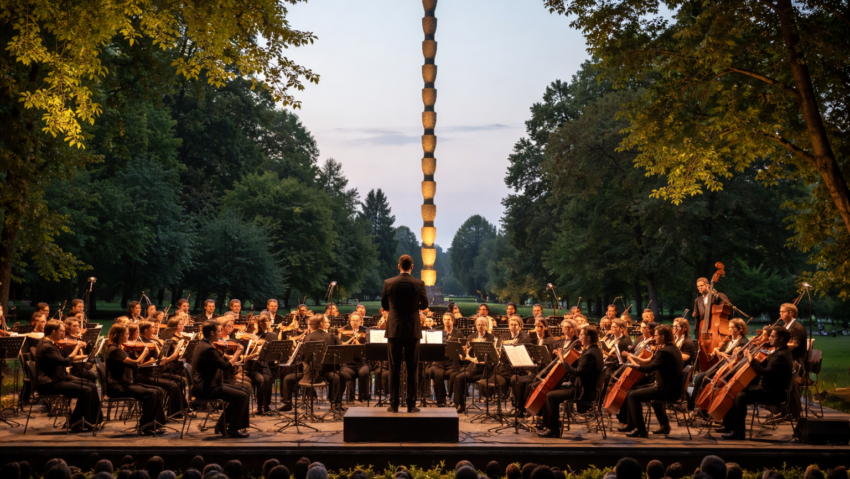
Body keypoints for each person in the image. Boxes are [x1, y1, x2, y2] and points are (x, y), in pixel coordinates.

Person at [718, 326, 794, 440]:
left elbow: (765, 372)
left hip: (772, 393)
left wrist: (751, 359)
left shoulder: (780, 356)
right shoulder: (782, 351)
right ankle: (729, 426)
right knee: (738, 390)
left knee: (740, 396)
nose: (770, 338)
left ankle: (738, 431)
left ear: (781, 339)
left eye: (772, 336)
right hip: (771, 388)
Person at [381, 254, 429, 413]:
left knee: (393, 368)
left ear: (398, 266)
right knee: (412, 368)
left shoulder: (389, 283)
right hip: (412, 330)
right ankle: (411, 404)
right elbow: (424, 305)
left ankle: (394, 404)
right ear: (412, 267)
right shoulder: (419, 283)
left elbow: (384, 306)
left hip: (394, 329)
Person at [35, 320, 102, 432]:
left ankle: (92, 420)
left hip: (58, 378)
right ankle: (75, 422)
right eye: (61, 331)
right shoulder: (47, 346)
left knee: (91, 385)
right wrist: (77, 347)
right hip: (48, 383)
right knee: (86, 390)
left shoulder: (50, 343)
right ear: (53, 331)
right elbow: (65, 362)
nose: (63, 333)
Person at [617, 324, 684, 438]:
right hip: (671, 388)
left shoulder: (665, 352)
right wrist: (631, 357)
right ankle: (661, 426)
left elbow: (648, 368)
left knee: (632, 395)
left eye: (656, 335)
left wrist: (631, 364)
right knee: (631, 391)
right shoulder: (671, 348)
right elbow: (648, 361)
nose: (654, 338)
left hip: (666, 390)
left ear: (663, 336)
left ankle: (640, 429)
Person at [537, 326, 603, 438]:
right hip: (584, 387)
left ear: (588, 338)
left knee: (550, 396)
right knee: (550, 390)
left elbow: (576, 372)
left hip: (582, 391)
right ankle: (550, 424)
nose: (579, 337)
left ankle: (553, 429)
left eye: (581, 335)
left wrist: (562, 359)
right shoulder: (595, 350)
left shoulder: (589, 354)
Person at [191, 320, 250, 438]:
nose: (220, 334)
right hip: (207, 388)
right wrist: (237, 353)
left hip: (204, 385)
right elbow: (225, 366)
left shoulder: (202, 344)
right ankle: (233, 429)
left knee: (244, 389)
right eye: (219, 331)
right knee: (242, 396)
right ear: (212, 333)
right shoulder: (208, 349)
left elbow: (219, 362)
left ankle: (223, 423)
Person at [104, 324, 167, 435]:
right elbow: (135, 363)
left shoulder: (119, 348)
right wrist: (144, 352)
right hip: (116, 386)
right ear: (119, 335)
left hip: (125, 384)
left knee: (158, 391)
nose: (128, 336)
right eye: (126, 334)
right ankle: (145, 426)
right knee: (152, 394)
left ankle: (154, 424)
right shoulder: (114, 350)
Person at [136, 321, 187, 417]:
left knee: (180, 381)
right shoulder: (141, 343)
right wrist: (172, 357)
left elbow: (161, 358)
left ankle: (179, 410)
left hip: (155, 372)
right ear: (146, 330)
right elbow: (157, 361)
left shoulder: (152, 341)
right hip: (145, 375)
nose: (155, 329)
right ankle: (174, 413)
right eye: (152, 327)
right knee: (173, 385)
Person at [454, 317, 496, 413]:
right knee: (458, 377)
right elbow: (467, 353)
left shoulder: (491, 338)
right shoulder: (471, 336)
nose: (480, 327)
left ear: (486, 326)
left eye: (482, 325)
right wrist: (464, 354)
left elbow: (491, 355)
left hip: (485, 368)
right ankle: (460, 404)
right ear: (476, 326)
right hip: (473, 368)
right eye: (478, 325)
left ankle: (486, 400)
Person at [777, 302, 807, 419]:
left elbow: (794, 344)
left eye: (782, 312)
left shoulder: (797, 328)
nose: (780, 314)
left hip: (796, 364)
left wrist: (775, 345)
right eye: (780, 312)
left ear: (791, 313)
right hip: (786, 362)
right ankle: (781, 409)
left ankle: (794, 412)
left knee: (788, 381)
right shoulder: (784, 327)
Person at [429, 313, 464, 406]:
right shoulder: (438, 332)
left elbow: (462, 348)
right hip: (439, 361)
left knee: (441, 373)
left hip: (452, 362)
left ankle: (445, 397)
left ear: (453, 321)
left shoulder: (458, 333)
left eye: (449, 319)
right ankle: (441, 400)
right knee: (437, 373)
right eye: (445, 319)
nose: (447, 321)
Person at [339, 312, 370, 401]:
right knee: (344, 374)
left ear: (361, 322)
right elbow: (341, 345)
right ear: (350, 321)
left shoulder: (365, 330)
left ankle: (362, 396)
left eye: (357, 320)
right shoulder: (344, 331)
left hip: (361, 363)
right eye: (353, 320)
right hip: (348, 363)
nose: (355, 322)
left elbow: (367, 345)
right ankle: (349, 395)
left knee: (363, 372)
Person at [61, 317, 97, 383]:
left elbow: (80, 353)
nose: (77, 327)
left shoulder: (75, 337)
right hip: (73, 367)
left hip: (80, 364)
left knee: (93, 372)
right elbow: (70, 357)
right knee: (92, 375)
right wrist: (86, 356)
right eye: (74, 326)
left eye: (78, 325)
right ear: (68, 327)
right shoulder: (67, 339)